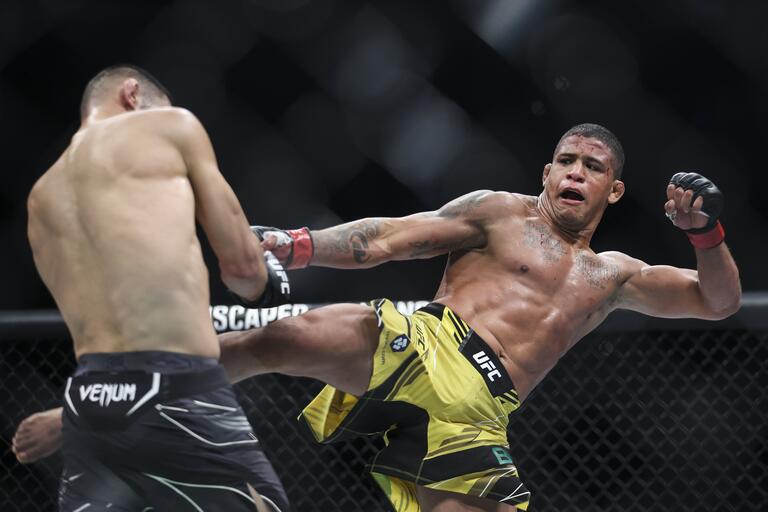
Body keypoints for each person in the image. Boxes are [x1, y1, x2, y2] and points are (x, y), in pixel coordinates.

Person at [15, 124, 741, 511]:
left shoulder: (614, 275)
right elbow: (387, 238)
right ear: (547, 173)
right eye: (566, 160)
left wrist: (704, 234)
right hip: (425, 344)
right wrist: (295, 245)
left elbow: (718, 302)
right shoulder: (497, 214)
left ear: (614, 191)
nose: (576, 172)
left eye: (593, 166)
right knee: (277, 336)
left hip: (478, 416)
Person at [18, 64, 291, 512]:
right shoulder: (169, 126)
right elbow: (242, 268)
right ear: (132, 94)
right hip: (175, 388)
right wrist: (267, 281)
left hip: (89, 403)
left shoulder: (41, 195)